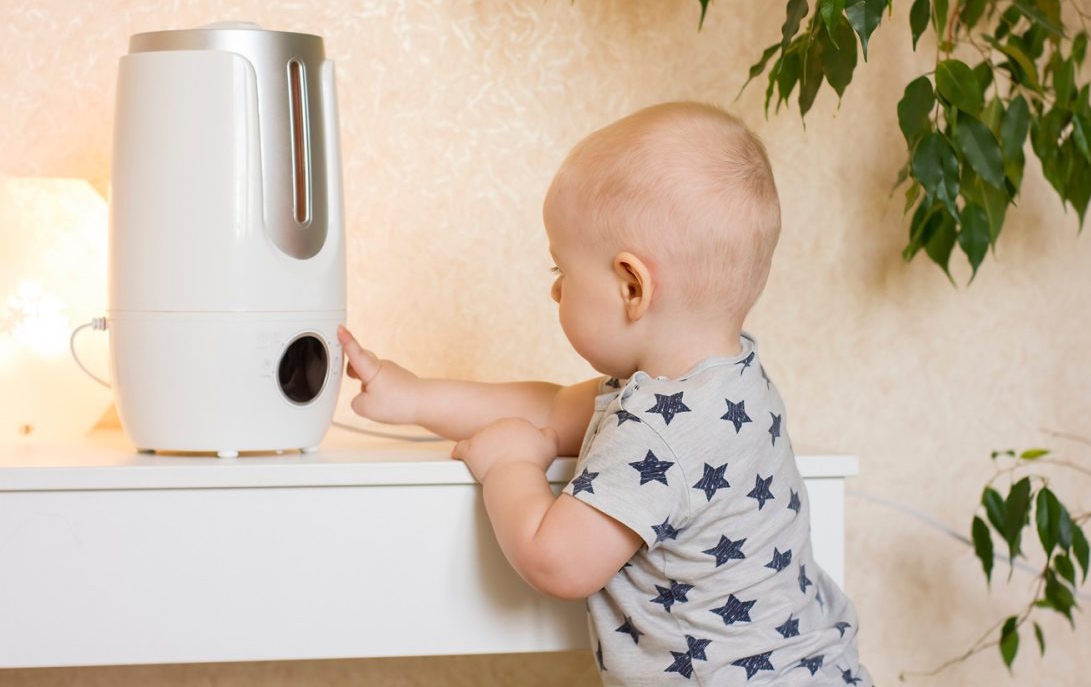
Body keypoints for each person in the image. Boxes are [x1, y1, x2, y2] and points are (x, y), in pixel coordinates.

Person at [338, 101, 871, 686]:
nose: (556, 291)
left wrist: (510, 464)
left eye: (560, 272)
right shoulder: (726, 381)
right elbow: (550, 409)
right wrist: (411, 396)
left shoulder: (656, 430)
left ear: (631, 286)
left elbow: (556, 561)